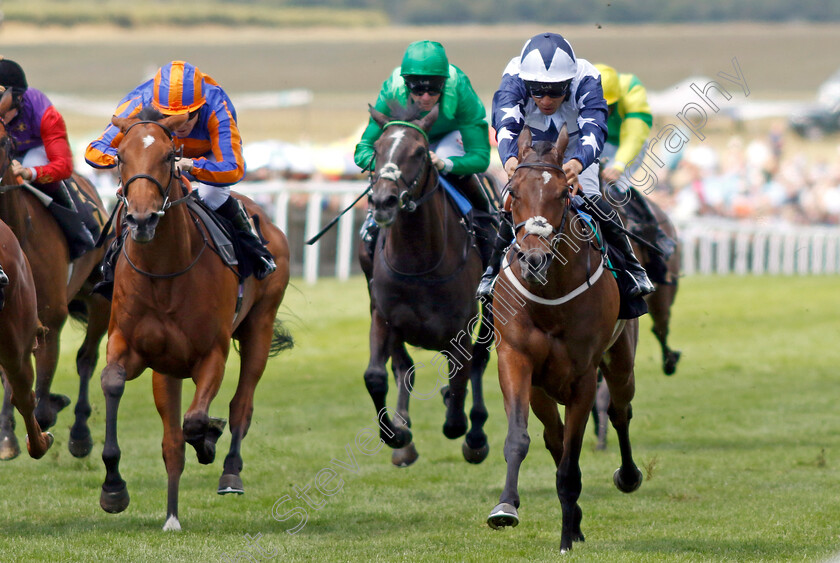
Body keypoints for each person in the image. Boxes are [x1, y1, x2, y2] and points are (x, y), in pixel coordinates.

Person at [477, 32, 654, 299]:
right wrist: (510, 157)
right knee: (512, 200)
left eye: (556, 91)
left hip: (575, 145)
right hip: (532, 146)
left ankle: (631, 268)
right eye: (537, 91)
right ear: (527, 82)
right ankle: (491, 273)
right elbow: (505, 124)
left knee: (591, 199)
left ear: (569, 82)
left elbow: (595, 128)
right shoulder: (514, 74)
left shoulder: (587, 77)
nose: (546, 100)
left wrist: (578, 162)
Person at [85, 60, 275, 285]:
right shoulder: (137, 103)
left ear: (200, 106)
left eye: (190, 114)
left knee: (212, 196)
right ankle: (111, 262)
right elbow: (94, 151)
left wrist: (191, 165)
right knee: (138, 198)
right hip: (155, 159)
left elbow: (233, 168)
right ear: (156, 106)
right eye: (167, 115)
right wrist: (135, 162)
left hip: (207, 157)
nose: (181, 124)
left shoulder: (217, 105)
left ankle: (253, 250)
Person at [353, 40, 497, 273]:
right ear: (406, 85)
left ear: (445, 84)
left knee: (447, 158)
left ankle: (487, 228)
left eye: (434, 88)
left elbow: (480, 157)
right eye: (418, 90)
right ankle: (372, 233)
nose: (427, 97)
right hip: (407, 143)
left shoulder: (459, 88)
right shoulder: (392, 88)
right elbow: (363, 149)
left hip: (450, 139)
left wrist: (445, 164)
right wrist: (387, 165)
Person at [0, 56, 97, 261]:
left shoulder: (44, 113)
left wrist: (30, 173)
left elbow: (64, 166)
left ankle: (81, 230)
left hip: (36, 150)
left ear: (17, 98)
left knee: (30, 163)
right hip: (6, 150)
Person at [595, 63, 675, 260]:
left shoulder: (631, 87)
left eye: (610, 107)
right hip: (595, 143)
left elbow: (635, 135)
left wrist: (619, 165)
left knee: (616, 190)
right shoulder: (576, 89)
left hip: (628, 145)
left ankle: (653, 234)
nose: (605, 113)